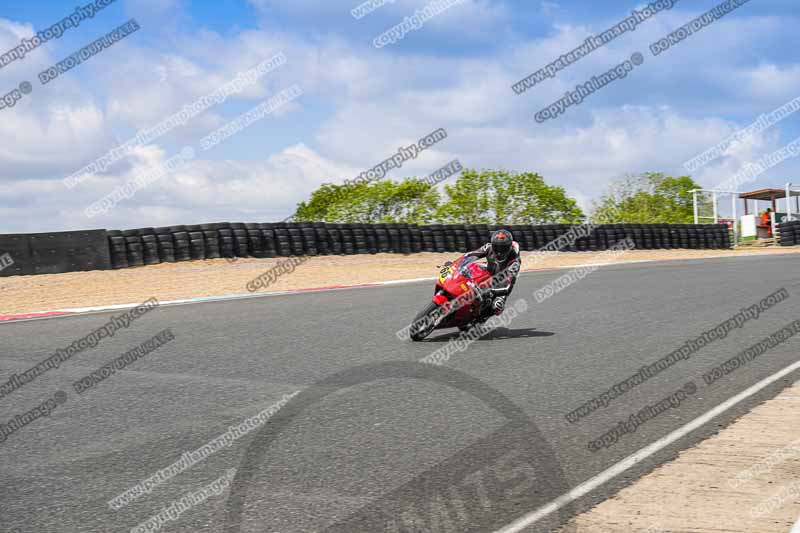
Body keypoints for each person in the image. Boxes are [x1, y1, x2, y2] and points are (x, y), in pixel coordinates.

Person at [464, 229, 522, 321]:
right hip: (489, 270)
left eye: (503, 248)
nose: (499, 252)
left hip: (502, 282)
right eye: (496, 247)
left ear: (509, 247)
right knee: (470, 268)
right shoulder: (488, 247)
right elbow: (471, 255)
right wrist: (456, 263)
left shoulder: (515, 261)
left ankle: (479, 318)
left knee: (497, 307)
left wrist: (490, 291)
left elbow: (508, 285)